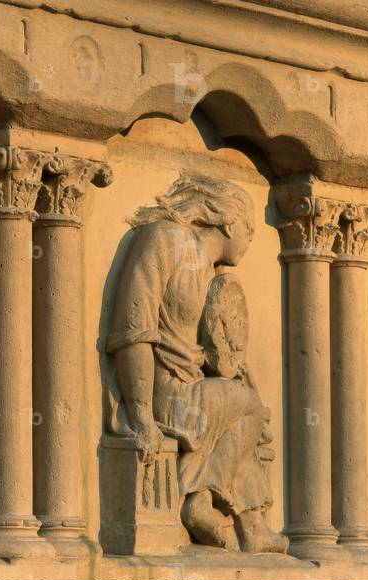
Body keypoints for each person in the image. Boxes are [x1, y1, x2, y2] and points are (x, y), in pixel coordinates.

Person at [104, 174, 289, 554]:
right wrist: (140, 417)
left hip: (188, 388)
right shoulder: (165, 240)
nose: (251, 241)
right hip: (166, 395)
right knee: (249, 408)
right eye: (250, 231)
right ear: (227, 220)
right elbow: (133, 330)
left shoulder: (208, 268)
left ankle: (218, 507)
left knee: (251, 409)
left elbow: (209, 349)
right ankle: (209, 506)